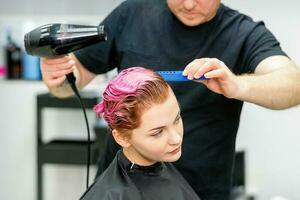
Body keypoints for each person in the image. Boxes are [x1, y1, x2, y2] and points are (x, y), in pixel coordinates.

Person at [40, 0, 300, 199]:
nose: (188, 4)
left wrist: (237, 84)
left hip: (201, 189)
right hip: (125, 185)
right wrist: (59, 77)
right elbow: (72, 81)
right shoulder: (132, 14)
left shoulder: (243, 33)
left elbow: (293, 85)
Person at [80, 66, 200, 200]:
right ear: (122, 137)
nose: (176, 138)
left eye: (177, 119)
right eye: (158, 132)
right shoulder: (112, 195)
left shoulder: (159, 164)